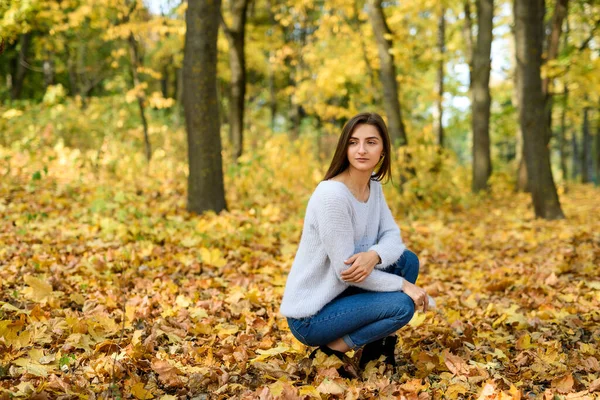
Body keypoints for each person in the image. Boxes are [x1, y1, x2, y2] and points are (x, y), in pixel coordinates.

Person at [279, 112, 430, 377]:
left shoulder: (374, 187)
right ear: (344, 148)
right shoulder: (332, 196)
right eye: (353, 142)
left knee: (408, 261)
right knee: (402, 306)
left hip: (341, 294)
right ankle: (330, 349)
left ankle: (377, 350)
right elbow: (347, 272)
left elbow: (393, 236)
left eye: (371, 142)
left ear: (383, 150)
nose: (361, 150)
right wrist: (403, 285)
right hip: (312, 315)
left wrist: (375, 254)